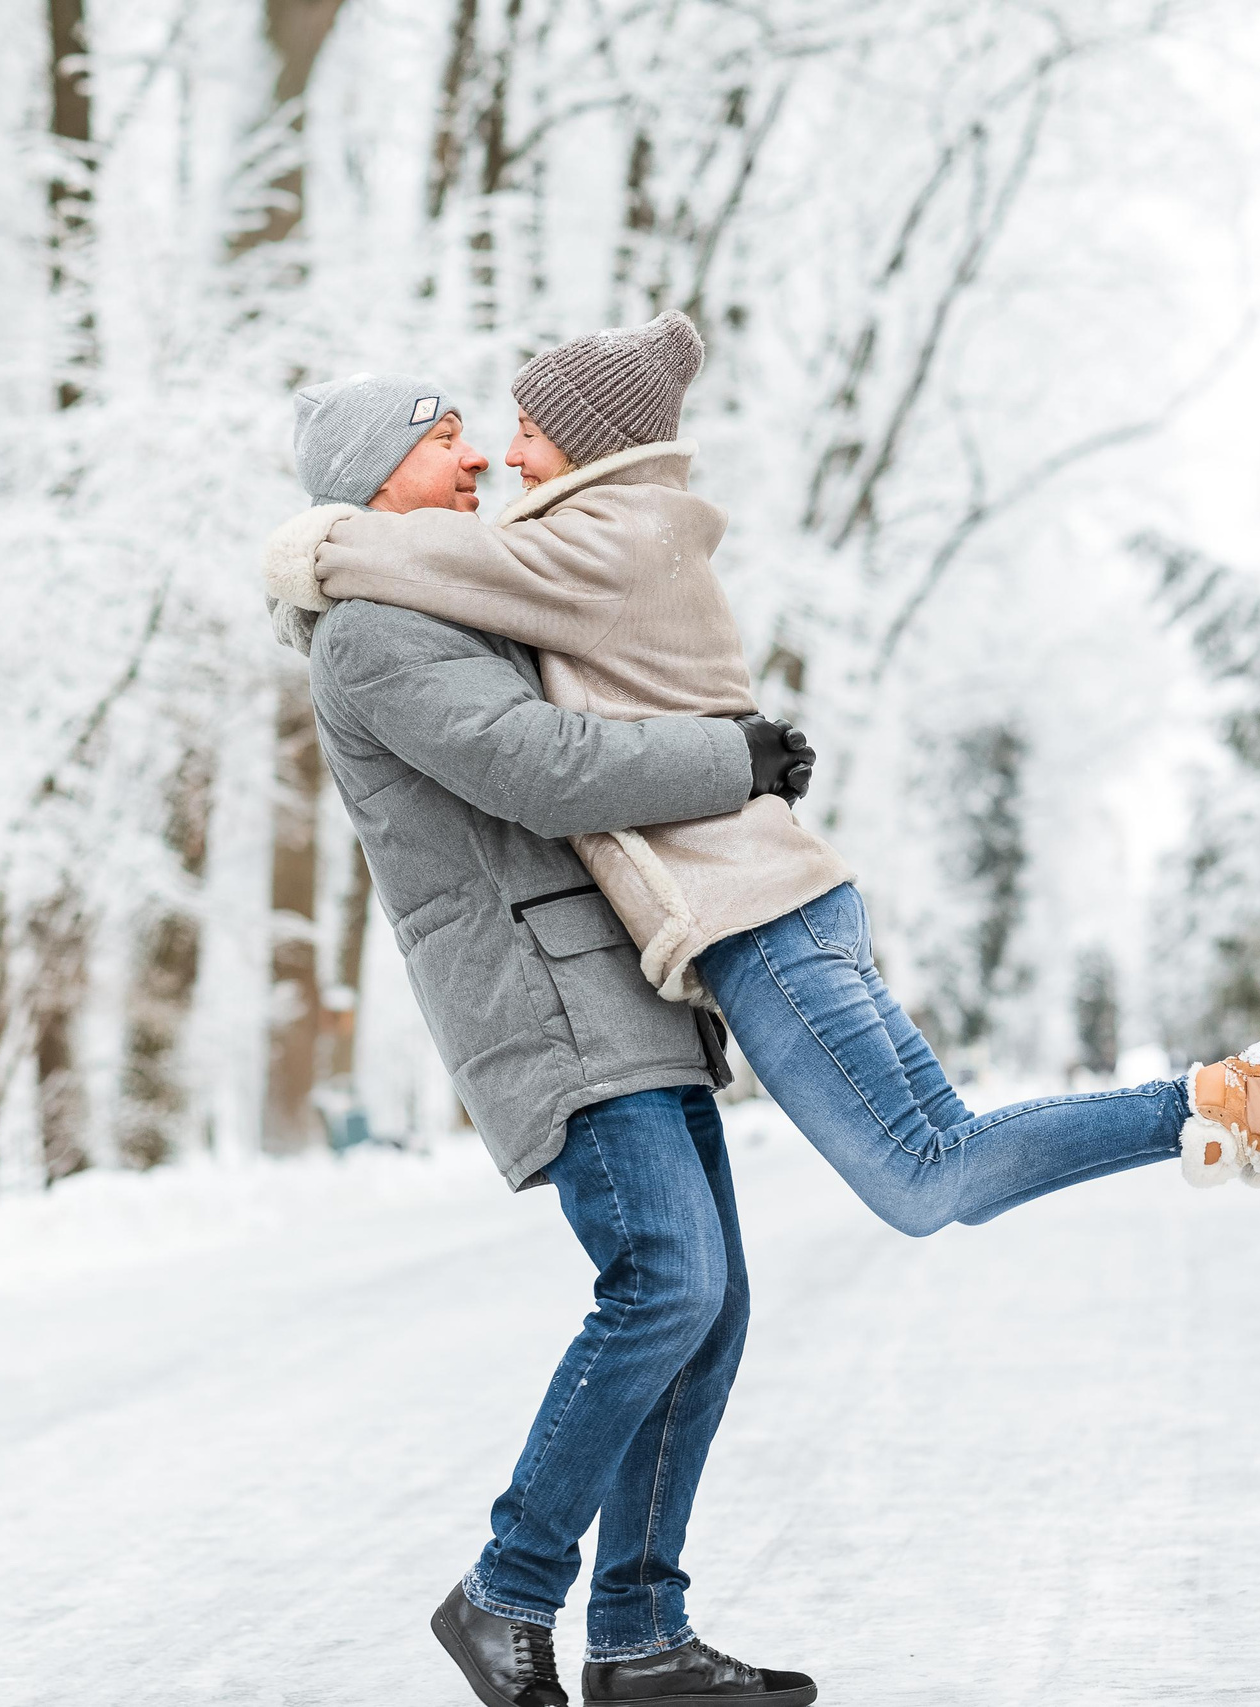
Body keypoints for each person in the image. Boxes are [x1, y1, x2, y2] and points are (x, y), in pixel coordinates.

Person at [266, 314, 1260, 1233]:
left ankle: (1226, 1100)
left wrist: (313, 547)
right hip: (789, 905)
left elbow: (448, 577)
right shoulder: (627, 532)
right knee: (945, 1158)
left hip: (753, 915)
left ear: (588, 442)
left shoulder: (594, 540)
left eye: (524, 431)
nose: (505, 458)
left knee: (923, 1177)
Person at [272, 371, 820, 1707]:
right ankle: (506, 1590)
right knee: (666, 1283)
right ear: (373, 477)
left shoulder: (450, 600)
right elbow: (543, 765)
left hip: (622, 988)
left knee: (709, 1306)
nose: (473, 463)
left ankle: (639, 1635)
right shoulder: (372, 635)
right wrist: (730, 759)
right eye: (443, 444)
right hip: (545, 1000)